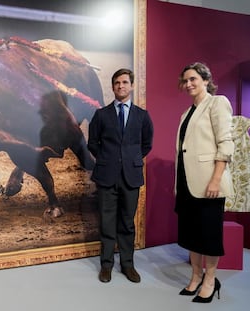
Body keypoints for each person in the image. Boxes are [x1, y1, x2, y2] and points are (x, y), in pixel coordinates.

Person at [175, 62, 234, 303]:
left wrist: (216, 179)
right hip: (187, 183)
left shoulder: (217, 103)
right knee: (191, 233)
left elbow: (226, 143)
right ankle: (196, 275)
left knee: (209, 234)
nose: (188, 84)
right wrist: (178, 183)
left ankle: (210, 279)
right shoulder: (186, 113)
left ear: (206, 80)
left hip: (209, 182)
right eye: (185, 80)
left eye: (193, 79)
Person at [88, 68, 154, 283]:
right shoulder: (101, 115)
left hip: (131, 177)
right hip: (107, 176)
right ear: (112, 86)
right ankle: (106, 265)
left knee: (127, 223)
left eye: (125, 82)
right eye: (117, 83)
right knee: (107, 222)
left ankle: (128, 265)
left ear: (132, 85)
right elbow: (92, 144)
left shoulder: (142, 116)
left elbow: (146, 145)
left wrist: (129, 160)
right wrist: (109, 159)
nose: (121, 86)